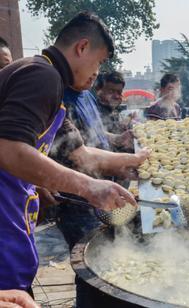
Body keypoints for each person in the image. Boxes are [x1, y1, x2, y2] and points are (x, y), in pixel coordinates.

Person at [0, 11, 137, 292]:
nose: (97, 72)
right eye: (98, 61)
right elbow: (9, 149)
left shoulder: (48, 81)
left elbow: (80, 152)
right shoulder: (42, 76)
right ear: (82, 47)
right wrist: (88, 187)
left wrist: (132, 161)